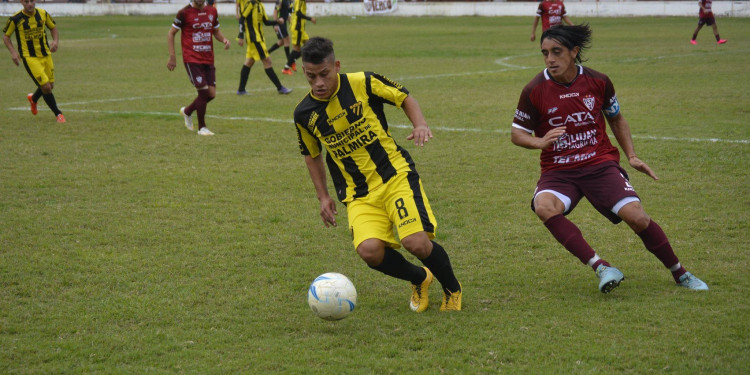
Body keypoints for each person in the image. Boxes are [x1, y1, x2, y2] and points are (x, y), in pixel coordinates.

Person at [510, 25, 709, 293]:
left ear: (574, 52)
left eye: (556, 52)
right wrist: (539, 142)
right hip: (559, 170)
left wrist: (632, 156)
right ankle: (601, 266)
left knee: (637, 218)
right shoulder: (534, 89)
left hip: (598, 164)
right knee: (544, 207)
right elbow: (517, 133)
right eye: (545, 53)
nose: (550, 59)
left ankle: (680, 273)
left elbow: (616, 118)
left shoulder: (598, 81)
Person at [294, 37, 462, 311]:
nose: (319, 83)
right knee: (369, 252)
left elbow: (404, 97)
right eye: (311, 77)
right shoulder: (304, 113)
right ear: (304, 72)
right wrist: (323, 196)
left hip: (394, 175)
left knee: (415, 243)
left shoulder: (363, 82)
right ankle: (420, 278)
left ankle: (452, 288)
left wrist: (419, 124)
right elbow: (311, 154)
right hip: (358, 192)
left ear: (336, 66)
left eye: (324, 74)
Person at [167, 0, 230, 136]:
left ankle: (187, 111)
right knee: (203, 93)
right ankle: (202, 128)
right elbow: (171, 33)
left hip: (208, 58)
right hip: (192, 58)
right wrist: (172, 56)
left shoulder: (212, 11)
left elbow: (216, 31)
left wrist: (224, 39)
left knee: (211, 94)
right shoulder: (184, 13)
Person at [3, 0, 65, 123]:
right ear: (22, 3)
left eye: (32, 1)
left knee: (50, 85)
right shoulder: (15, 19)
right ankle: (58, 114)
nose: (30, 4)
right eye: (26, 2)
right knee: (46, 87)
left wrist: (55, 41)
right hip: (29, 57)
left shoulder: (42, 14)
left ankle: (34, 98)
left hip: (46, 54)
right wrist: (13, 53)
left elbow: (53, 27)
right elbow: (6, 36)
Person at [236, 0, 292, 95]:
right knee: (267, 61)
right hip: (254, 39)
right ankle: (280, 88)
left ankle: (241, 90)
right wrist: (241, 36)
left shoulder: (260, 5)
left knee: (249, 62)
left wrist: (277, 21)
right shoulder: (251, 4)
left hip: (259, 39)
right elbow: (242, 18)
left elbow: (265, 22)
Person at [283, 0, 316, 75]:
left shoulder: (296, 1)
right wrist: (310, 19)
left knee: (309, 46)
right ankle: (286, 67)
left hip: (300, 28)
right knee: (296, 49)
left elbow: (290, 9)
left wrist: (291, 17)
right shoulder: (300, 1)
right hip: (297, 28)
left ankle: (293, 61)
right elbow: (298, 13)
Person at [268, 0, 292, 64]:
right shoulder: (280, 1)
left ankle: (267, 53)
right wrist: (275, 24)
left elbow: (287, 12)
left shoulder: (289, 1)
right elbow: (275, 12)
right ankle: (290, 63)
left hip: (284, 23)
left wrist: (291, 23)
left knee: (281, 42)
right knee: (287, 39)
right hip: (279, 23)